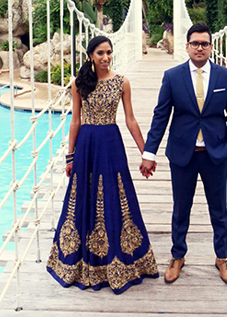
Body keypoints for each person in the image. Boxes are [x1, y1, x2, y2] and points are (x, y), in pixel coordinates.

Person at [46, 36, 158, 294]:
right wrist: (70, 156)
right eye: (100, 53)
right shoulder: (79, 83)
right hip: (86, 145)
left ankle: (120, 260)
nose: (106, 57)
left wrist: (146, 153)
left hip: (110, 143)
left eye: (109, 52)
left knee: (116, 196)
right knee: (83, 198)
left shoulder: (122, 82)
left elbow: (130, 120)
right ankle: (87, 262)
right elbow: (75, 120)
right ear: (91, 56)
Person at [142, 22, 227, 286]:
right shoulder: (172, 76)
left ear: (211, 47)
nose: (200, 47)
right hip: (182, 154)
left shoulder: (226, 77)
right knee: (180, 208)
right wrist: (149, 152)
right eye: (195, 43)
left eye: (204, 43)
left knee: (219, 209)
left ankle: (222, 257)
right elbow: (160, 116)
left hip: (216, 154)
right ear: (186, 46)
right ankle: (178, 255)